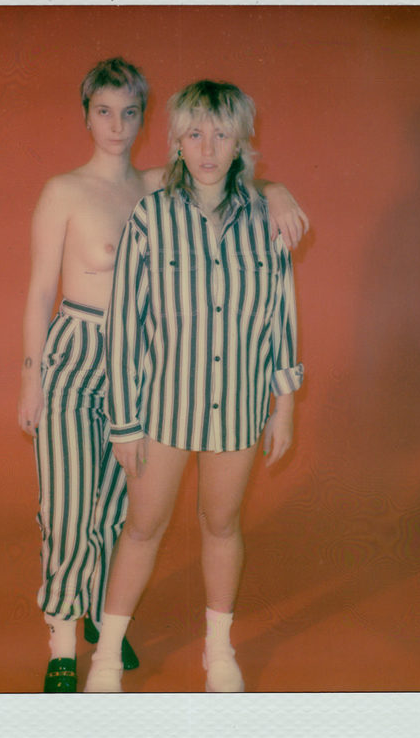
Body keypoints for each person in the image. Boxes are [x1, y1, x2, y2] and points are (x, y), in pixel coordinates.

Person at [18, 59, 307, 693]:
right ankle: (69, 643)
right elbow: (54, 295)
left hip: (188, 384)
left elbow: (276, 304)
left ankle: (131, 630)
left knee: (130, 513)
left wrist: (278, 190)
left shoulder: (176, 193)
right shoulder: (94, 197)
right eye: (104, 111)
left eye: (129, 113)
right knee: (74, 510)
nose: (117, 125)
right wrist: (32, 378)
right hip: (100, 365)